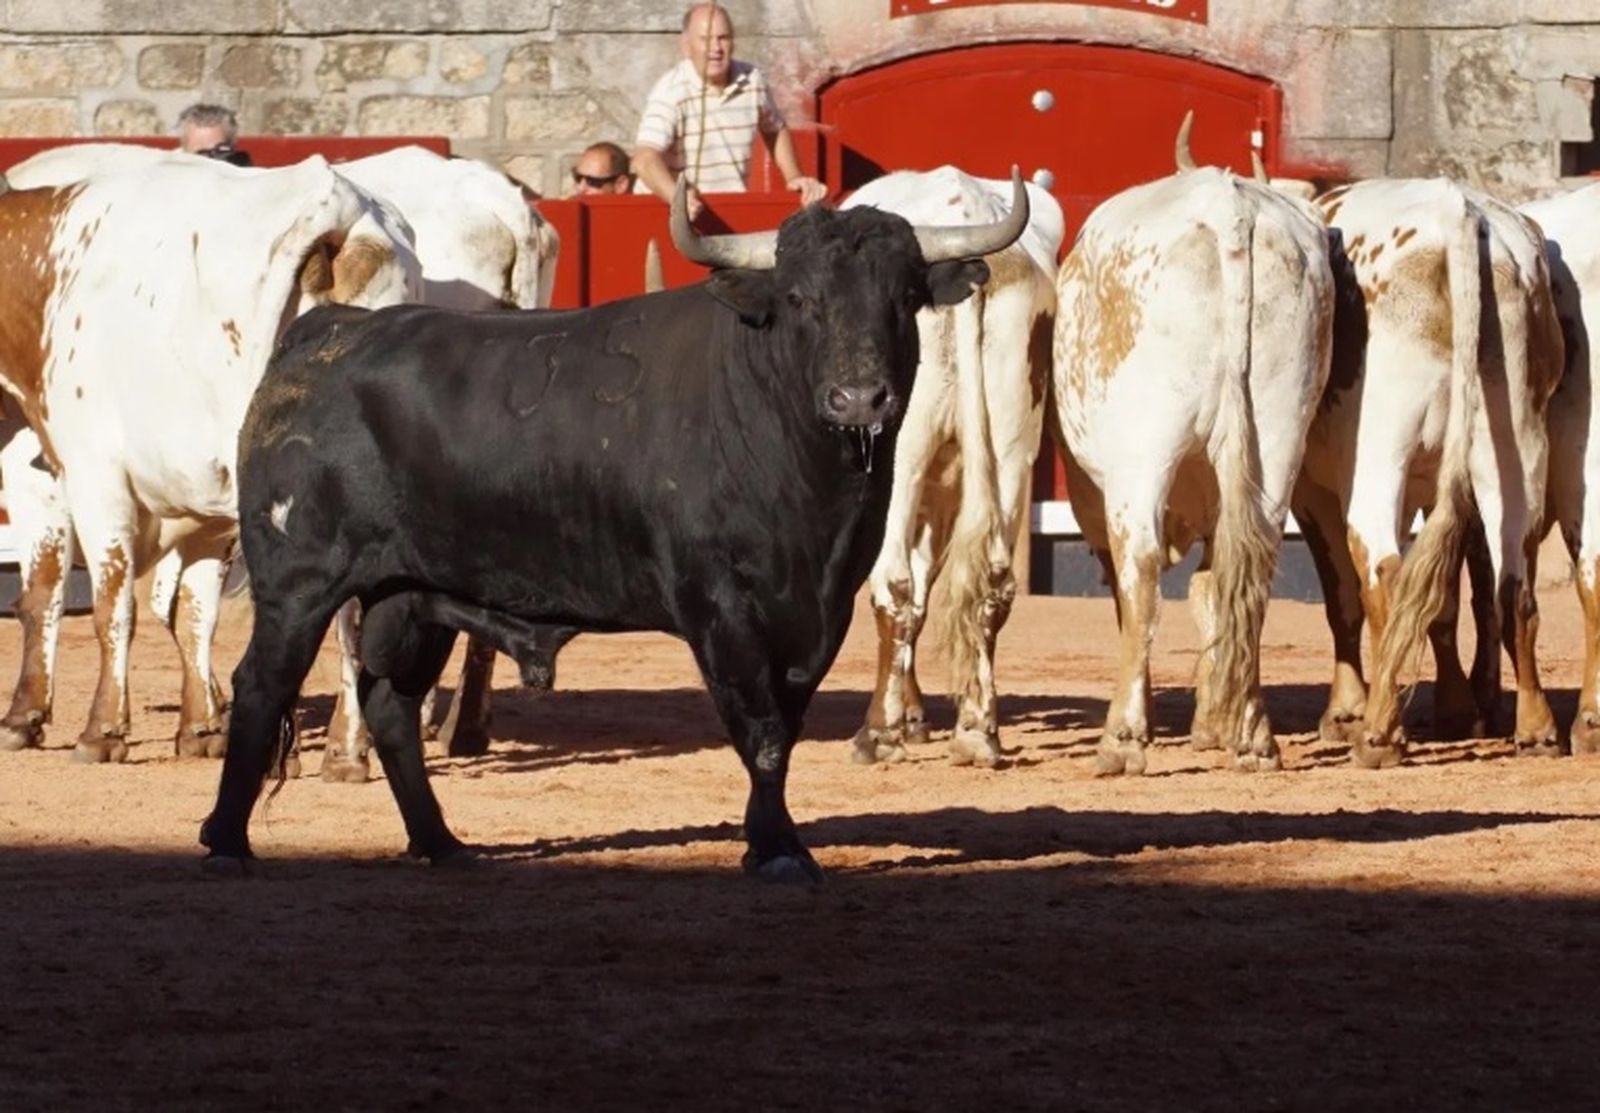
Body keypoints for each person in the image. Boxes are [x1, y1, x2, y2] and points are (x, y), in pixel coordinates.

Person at [632, 3, 826, 221]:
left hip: (728, 208)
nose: (716, 48)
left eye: (723, 38)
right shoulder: (671, 90)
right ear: (686, 46)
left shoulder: (752, 80)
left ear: (733, 43)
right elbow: (644, 159)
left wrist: (794, 176)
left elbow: (775, 129)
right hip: (669, 213)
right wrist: (677, 199)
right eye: (705, 39)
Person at [176, 103, 252, 167]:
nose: (208, 160)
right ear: (183, 152)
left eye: (217, 152)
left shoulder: (245, 174)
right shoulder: (172, 174)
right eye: (201, 155)